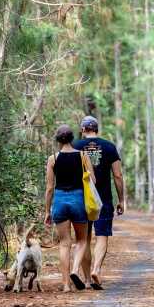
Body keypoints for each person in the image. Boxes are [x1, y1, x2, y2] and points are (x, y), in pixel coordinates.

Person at [73, 116, 124, 290]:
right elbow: (117, 175)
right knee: (102, 236)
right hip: (103, 199)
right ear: (97, 129)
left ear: (82, 130)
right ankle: (96, 270)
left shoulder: (75, 147)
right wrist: (122, 199)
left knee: (84, 239)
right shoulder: (109, 147)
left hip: (82, 199)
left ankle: (87, 280)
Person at [43, 124, 94, 292]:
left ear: (58, 139)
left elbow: (50, 188)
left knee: (64, 243)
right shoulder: (83, 156)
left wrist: (47, 211)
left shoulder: (53, 159)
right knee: (82, 240)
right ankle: (74, 270)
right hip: (78, 199)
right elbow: (93, 180)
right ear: (72, 139)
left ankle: (65, 285)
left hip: (60, 200)